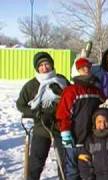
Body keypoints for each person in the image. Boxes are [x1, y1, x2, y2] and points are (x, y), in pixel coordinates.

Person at [16, 52, 69, 180]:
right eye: (41, 65)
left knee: (64, 161)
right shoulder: (31, 85)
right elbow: (21, 105)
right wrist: (37, 113)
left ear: (51, 65)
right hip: (41, 126)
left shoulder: (61, 80)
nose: (44, 68)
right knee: (36, 162)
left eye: (47, 64)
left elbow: (71, 98)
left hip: (60, 126)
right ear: (37, 68)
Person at [56, 57, 105, 180]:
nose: (86, 70)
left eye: (88, 67)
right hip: (74, 140)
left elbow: (105, 108)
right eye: (82, 68)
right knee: (72, 172)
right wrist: (65, 132)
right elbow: (63, 113)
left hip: (91, 140)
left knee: (90, 172)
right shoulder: (71, 91)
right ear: (77, 71)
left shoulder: (96, 91)